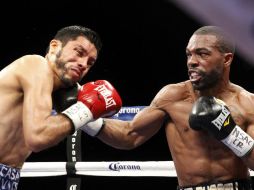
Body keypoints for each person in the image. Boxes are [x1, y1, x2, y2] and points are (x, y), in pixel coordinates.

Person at [84, 26, 254, 190]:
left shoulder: (247, 104)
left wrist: (231, 133)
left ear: (227, 59)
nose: (192, 62)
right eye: (189, 54)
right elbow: (129, 135)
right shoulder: (172, 96)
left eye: (202, 54)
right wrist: (81, 117)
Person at [0, 25, 122, 190]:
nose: (83, 64)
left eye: (90, 63)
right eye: (79, 53)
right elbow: (37, 137)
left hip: (9, 176)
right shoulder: (35, 65)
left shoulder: (69, 93)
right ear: (54, 46)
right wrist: (85, 110)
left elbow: (128, 137)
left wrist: (162, 107)